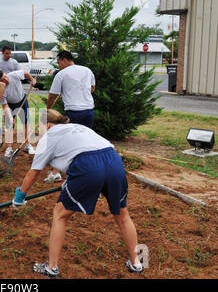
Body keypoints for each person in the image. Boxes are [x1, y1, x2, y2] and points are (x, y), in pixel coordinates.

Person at [13, 109, 143, 278]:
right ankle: (136, 263)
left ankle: (51, 268)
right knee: (122, 214)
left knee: (60, 214)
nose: (39, 132)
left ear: (49, 125)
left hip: (88, 167)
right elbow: (77, 151)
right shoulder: (77, 127)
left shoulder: (48, 137)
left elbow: (34, 172)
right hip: (114, 161)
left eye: (40, 127)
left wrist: (20, 196)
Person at [45, 50, 96, 183]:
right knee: (85, 142)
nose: (58, 65)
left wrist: (47, 110)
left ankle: (60, 174)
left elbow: (52, 96)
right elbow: (92, 89)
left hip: (74, 113)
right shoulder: (87, 70)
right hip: (89, 111)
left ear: (64, 59)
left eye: (58, 62)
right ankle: (84, 171)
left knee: (66, 143)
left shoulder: (61, 74)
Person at [0, 69, 37, 156]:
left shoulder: (14, 75)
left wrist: (32, 79)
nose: (6, 79)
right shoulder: (0, 91)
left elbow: (25, 72)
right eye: (2, 80)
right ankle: (9, 149)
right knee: (9, 126)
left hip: (22, 100)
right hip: (10, 105)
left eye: (5, 76)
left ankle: (28, 145)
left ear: (6, 74)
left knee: (26, 123)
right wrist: (10, 118)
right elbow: (5, 106)